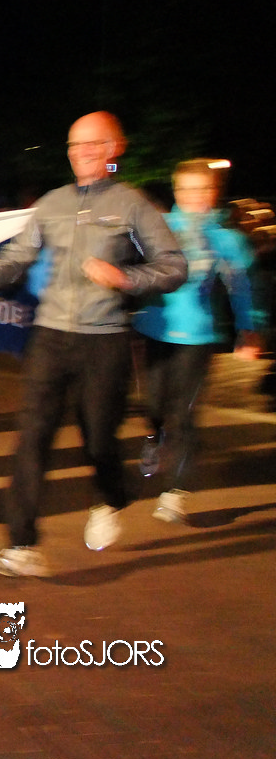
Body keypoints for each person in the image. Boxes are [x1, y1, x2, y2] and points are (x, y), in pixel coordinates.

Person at [0, 111, 188, 578]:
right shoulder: (52, 203)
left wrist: (124, 278)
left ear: (113, 149)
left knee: (99, 438)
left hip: (104, 340)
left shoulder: (132, 205)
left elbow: (173, 266)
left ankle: (110, 497)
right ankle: (22, 544)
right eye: (73, 145)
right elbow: (18, 256)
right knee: (32, 436)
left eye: (91, 144)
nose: (81, 153)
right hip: (50, 336)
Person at [133, 159, 267, 524]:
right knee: (154, 405)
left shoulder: (226, 239)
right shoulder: (160, 228)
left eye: (201, 189)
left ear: (213, 192)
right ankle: (154, 437)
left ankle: (175, 492)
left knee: (184, 413)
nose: (193, 197)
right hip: (155, 328)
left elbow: (243, 285)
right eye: (186, 189)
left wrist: (249, 329)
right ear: (176, 192)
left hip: (198, 336)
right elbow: (130, 261)